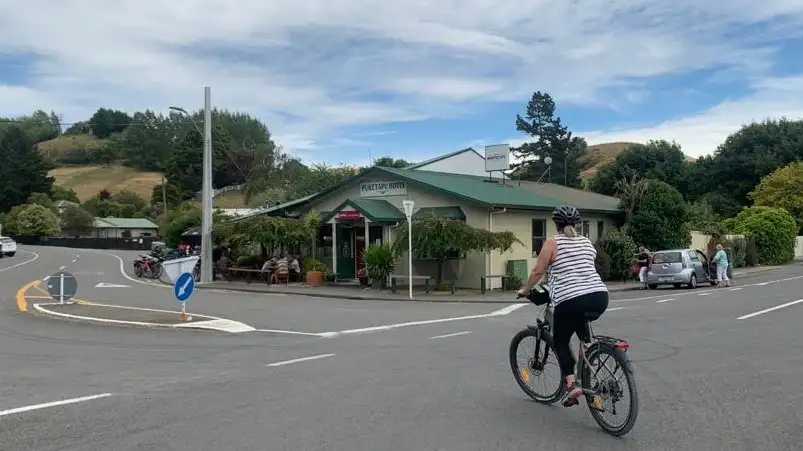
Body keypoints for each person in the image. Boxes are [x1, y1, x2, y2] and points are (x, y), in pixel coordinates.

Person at [517, 205, 609, 408]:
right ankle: (586, 372)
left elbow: (537, 272)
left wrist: (524, 290)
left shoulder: (552, 242)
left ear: (556, 224)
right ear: (576, 224)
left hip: (570, 299)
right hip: (600, 296)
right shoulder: (586, 242)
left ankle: (571, 383)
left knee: (559, 339)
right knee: (582, 330)